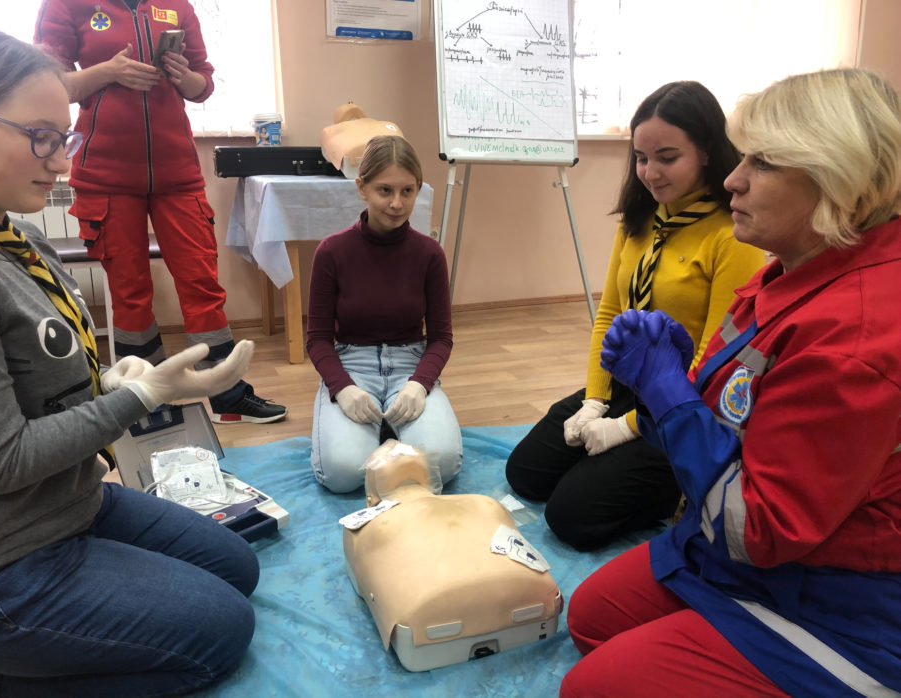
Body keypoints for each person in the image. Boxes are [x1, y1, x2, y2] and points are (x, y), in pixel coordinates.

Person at [561, 68, 901, 698]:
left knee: (593, 687)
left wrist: (669, 394)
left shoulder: (856, 336)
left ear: (841, 180)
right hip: (746, 548)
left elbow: (759, 529)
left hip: (838, 595)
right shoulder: (792, 270)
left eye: (762, 163)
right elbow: (736, 419)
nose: (733, 179)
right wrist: (671, 387)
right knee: (591, 617)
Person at [0, 27, 261, 697]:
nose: (60, 160)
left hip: (70, 501)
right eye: (39, 137)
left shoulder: (18, 237)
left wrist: (108, 380)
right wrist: (138, 397)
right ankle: (10, 676)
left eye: (64, 138)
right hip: (3, 559)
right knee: (222, 634)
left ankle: (53, 642)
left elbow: (33, 383)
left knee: (236, 567)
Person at [505, 81, 767, 550]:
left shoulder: (731, 235)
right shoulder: (642, 220)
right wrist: (595, 401)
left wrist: (625, 428)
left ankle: (676, 489)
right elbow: (609, 314)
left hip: (685, 402)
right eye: (642, 158)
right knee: (526, 473)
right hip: (630, 384)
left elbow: (716, 358)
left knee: (571, 517)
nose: (650, 173)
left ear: (707, 151)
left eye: (668, 157)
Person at [34, 0, 286, 424]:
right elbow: (48, 86)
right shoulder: (66, 5)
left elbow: (202, 85)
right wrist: (109, 72)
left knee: (202, 283)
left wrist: (183, 75)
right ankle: (144, 400)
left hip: (178, 175)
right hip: (105, 177)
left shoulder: (177, 6)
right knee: (130, 294)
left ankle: (226, 393)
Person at [306, 135, 462, 493]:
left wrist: (419, 385)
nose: (396, 203)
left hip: (410, 366)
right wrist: (343, 388)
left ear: (418, 188)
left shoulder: (430, 254)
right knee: (342, 473)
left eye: (407, 191)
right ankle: (383, 432)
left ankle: (386, 430)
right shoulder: (331, 252)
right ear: (362, 187)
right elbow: (317, 340)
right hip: (352, 367)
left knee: (443, 463)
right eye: (385, 190)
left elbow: (441, 338)